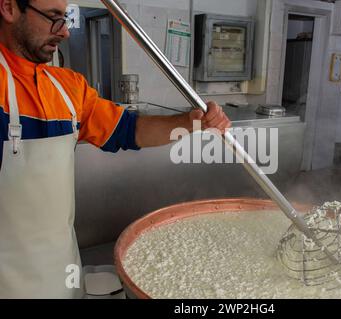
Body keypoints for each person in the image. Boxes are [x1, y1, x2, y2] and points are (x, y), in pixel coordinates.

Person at [0, 0, 231, 298]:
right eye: (54, 17)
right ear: (8, 8)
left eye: (65, 18)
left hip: (62, 268)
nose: (66, 33)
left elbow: (129, 130)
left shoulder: (68, 88)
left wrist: (192, 122)